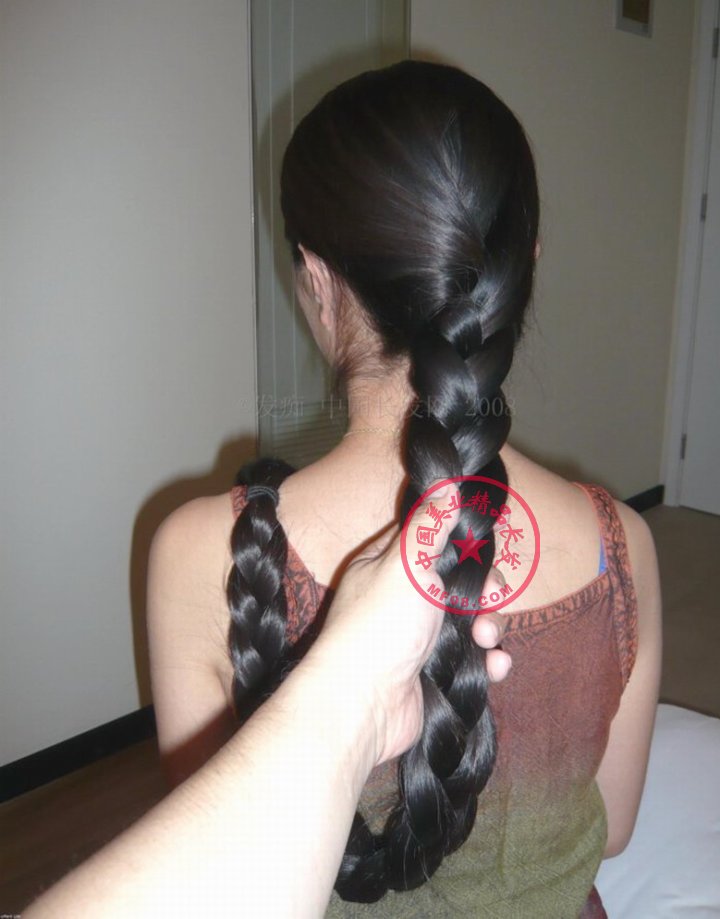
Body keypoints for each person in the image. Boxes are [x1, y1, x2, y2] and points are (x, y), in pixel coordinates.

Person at [148, 60, 661, 917]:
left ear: (318, 284)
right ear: (522, 270)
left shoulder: (198, 554)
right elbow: (612, 829)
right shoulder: (622, 543)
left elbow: (213, 872)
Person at [26, 496, 512, 917]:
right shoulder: (569, 532)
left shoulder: (189, 542)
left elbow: (198, 807)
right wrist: (357, 692)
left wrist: (353, 695)